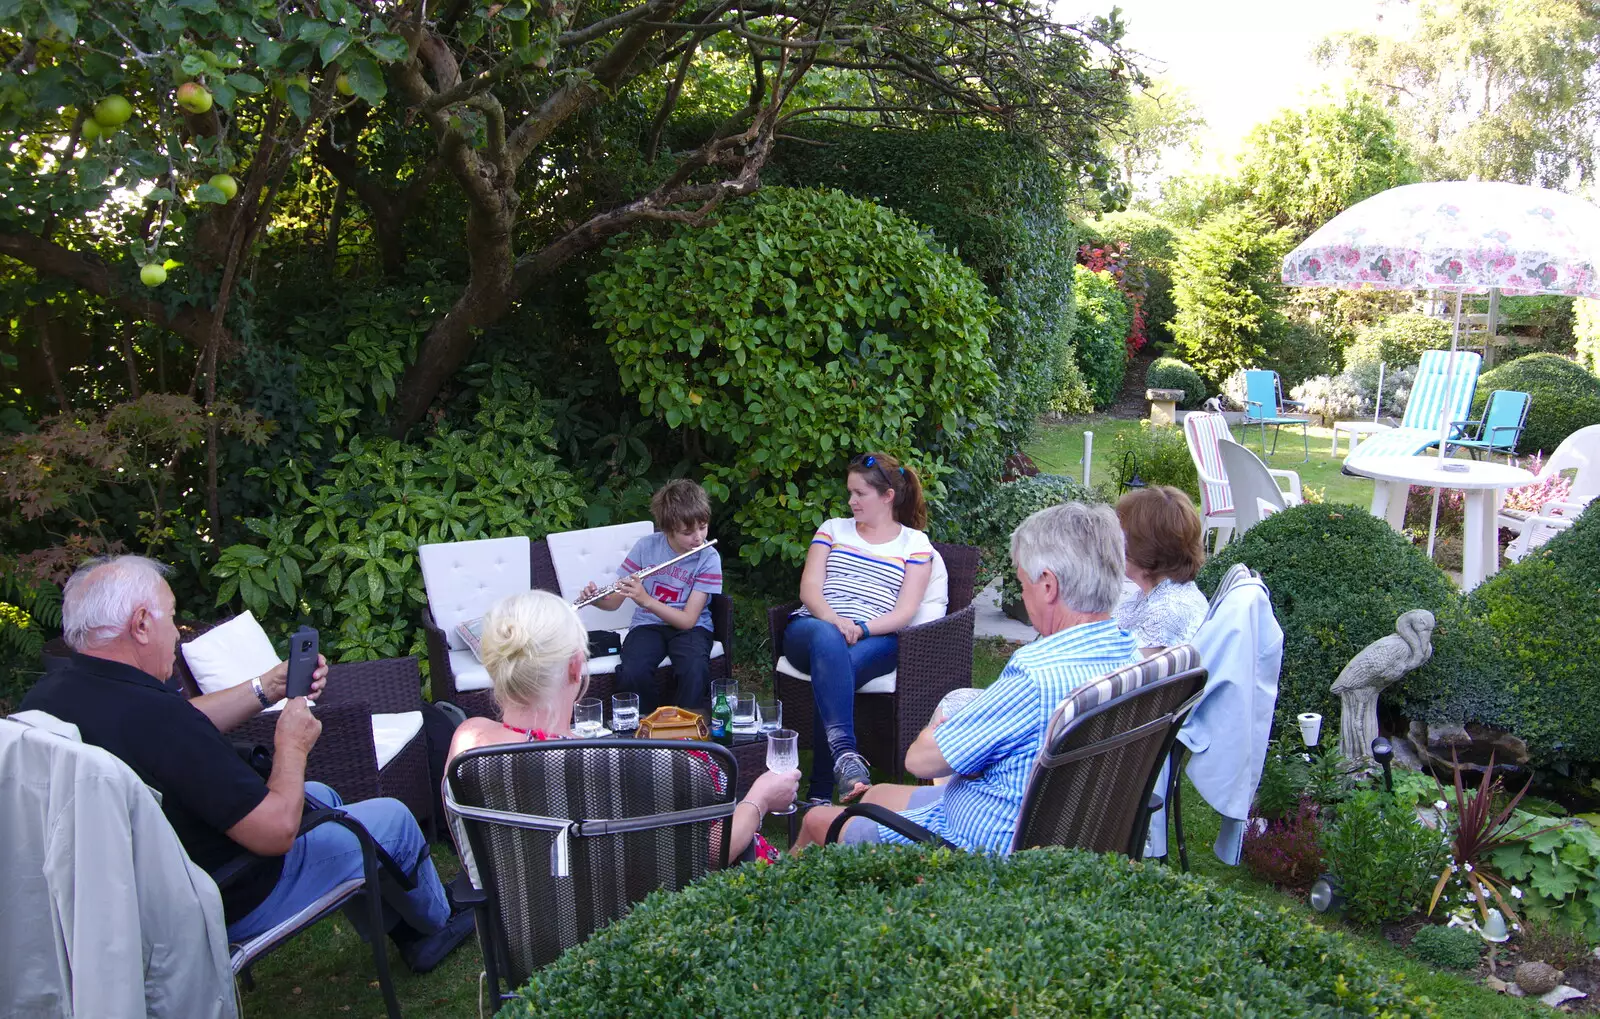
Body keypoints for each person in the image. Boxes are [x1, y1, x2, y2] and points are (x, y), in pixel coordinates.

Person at [21, 556, 474, 972]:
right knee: (390, 819)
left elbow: (181, 722)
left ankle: (402, 928)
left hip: (132, 895)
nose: (177, 632)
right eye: (171, 617)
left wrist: (268, 687)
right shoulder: (156, 719)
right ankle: (435, 925)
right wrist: (291, 746)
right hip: (229, 890)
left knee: (325, 798)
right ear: (141, 624)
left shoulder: (53, 696)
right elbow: (276, 831)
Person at [793, 502, 1140, 853]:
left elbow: (921, 760)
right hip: (1040, 821)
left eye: (1023, 583)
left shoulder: (1037, 673)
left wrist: (935, 730)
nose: (1022, 594)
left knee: (815, 822)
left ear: (1048, 586)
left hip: (971, 844)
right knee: (879, 793)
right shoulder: (1127, 654)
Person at [446, 590, 798, 865]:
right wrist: (760, 798)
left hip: (518, 932)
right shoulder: (613, 763)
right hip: (616, 935)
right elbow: (705, 854)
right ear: (575, 668)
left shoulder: (468, 745)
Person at [785, 452, 933, 803]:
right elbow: (809, 591)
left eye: (859, 494)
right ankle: (845, 758)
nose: (851, 501)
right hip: (813, 629)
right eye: (849, 493)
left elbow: (905, 612)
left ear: (887, 496)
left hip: (876, 638)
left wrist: (862, 628)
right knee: (827, 641)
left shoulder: (915, 544)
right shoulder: (832, 529)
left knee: (838, 670)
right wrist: (836, 621)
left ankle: (820, 793)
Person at [580, 479, 722, 714]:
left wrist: (646, 600)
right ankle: (647, 725)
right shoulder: (647, 547)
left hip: (692, 628)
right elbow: (614, 602)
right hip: (648, 625)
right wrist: (595, 598)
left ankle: (686, 728)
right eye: (687, 532)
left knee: (694, 668)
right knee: (633, 670)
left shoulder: (709, 558)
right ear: (667, 529)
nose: (698, 537)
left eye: (703, 527)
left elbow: (687, 620)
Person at [1113, 485, 1209, 654]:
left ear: (1145, 548)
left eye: (1121, 536)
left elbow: (1129, 673)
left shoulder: (1167, 613)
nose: (1114, 544)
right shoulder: (1162, 592)